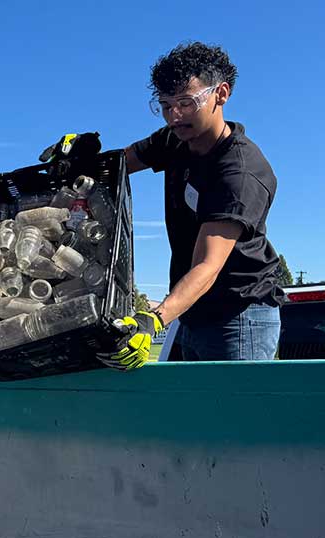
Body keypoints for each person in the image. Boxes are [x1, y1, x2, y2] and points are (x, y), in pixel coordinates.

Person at [95, 41, 283, 369]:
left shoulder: (239, 171)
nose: (174, 116)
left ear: (221, 94)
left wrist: (152, 320)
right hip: (191, 311)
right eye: (165, 105)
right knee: (194, 417)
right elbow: (120, 164)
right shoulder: (176, 139)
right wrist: (80, 159)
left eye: (186, 102)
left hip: (238, 315)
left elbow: (207, 266)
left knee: (230, 419)